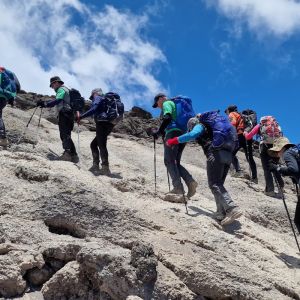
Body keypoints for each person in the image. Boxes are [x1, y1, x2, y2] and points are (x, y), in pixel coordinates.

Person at [166, 113, 242, 225]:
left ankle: (231, 208)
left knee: (214, 184)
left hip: (215, 154)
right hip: (228, 155)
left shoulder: (200, 125)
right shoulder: (213, 129)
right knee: (219, 184)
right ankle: (221, 213)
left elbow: (192, 134)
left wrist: (172, 141)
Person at [151, 93, 198, 200]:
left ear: (161, 98)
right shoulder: (177, 105)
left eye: (157, 103)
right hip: (183, 134)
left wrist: (158, 132)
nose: (158, 106)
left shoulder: (167, 103)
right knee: (175, 161)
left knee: (169, 161)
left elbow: (167, 117)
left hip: (172, 134)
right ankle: (190, 182)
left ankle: (178, 188)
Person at [37, 76, 78, 162]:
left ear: (56, 83)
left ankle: (67, 154)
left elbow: (58, 100)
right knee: (67, 134)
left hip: (64, 112)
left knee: (64, 134)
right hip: (70, 114)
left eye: (52, 85)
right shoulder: (68, 90)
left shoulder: (61, 89)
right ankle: (74, 155)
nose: (52, 88)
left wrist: (45, 104)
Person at [77, 88, 115, 176]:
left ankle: (105, 167)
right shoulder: (106, 101)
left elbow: (94, 108)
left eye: (92, 95)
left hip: (102, 122)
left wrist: (81, 117)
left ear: (95, 93)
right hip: (109, 124)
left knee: (101, 144)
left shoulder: (98, 98)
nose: (92, 98)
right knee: (94, 144)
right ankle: (96, 165)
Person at [244, 116, 284, 198]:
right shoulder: (277, 126)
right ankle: (281, 187)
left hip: (264, 147)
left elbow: (249, 136)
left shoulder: (260, 125)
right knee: (275, 167)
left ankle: (270, 190)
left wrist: (245, 133)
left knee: (267, 169)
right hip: (276, 147)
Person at [268, 137, 300, 234]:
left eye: (277, 151)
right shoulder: (296, 152)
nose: (277, 154)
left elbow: (294, 170)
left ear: (282, 148)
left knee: (298, 221)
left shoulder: (288, 153)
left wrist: (277, 168)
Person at [225, 105, 258, 183]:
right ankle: (254, 178)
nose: (226, 113)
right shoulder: (241, 115)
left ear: (229, 110)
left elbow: (233, 123)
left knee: (231, 154)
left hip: (239, 136)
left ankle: (238, 171)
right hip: (247, 136)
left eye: (226, 111)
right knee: (249, 157)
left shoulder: (232, 114)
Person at [0, 67, 20, 147]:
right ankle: (3, 138)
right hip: (5, 98)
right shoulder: (7, 73)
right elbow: (18, 86)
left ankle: (2, 138)